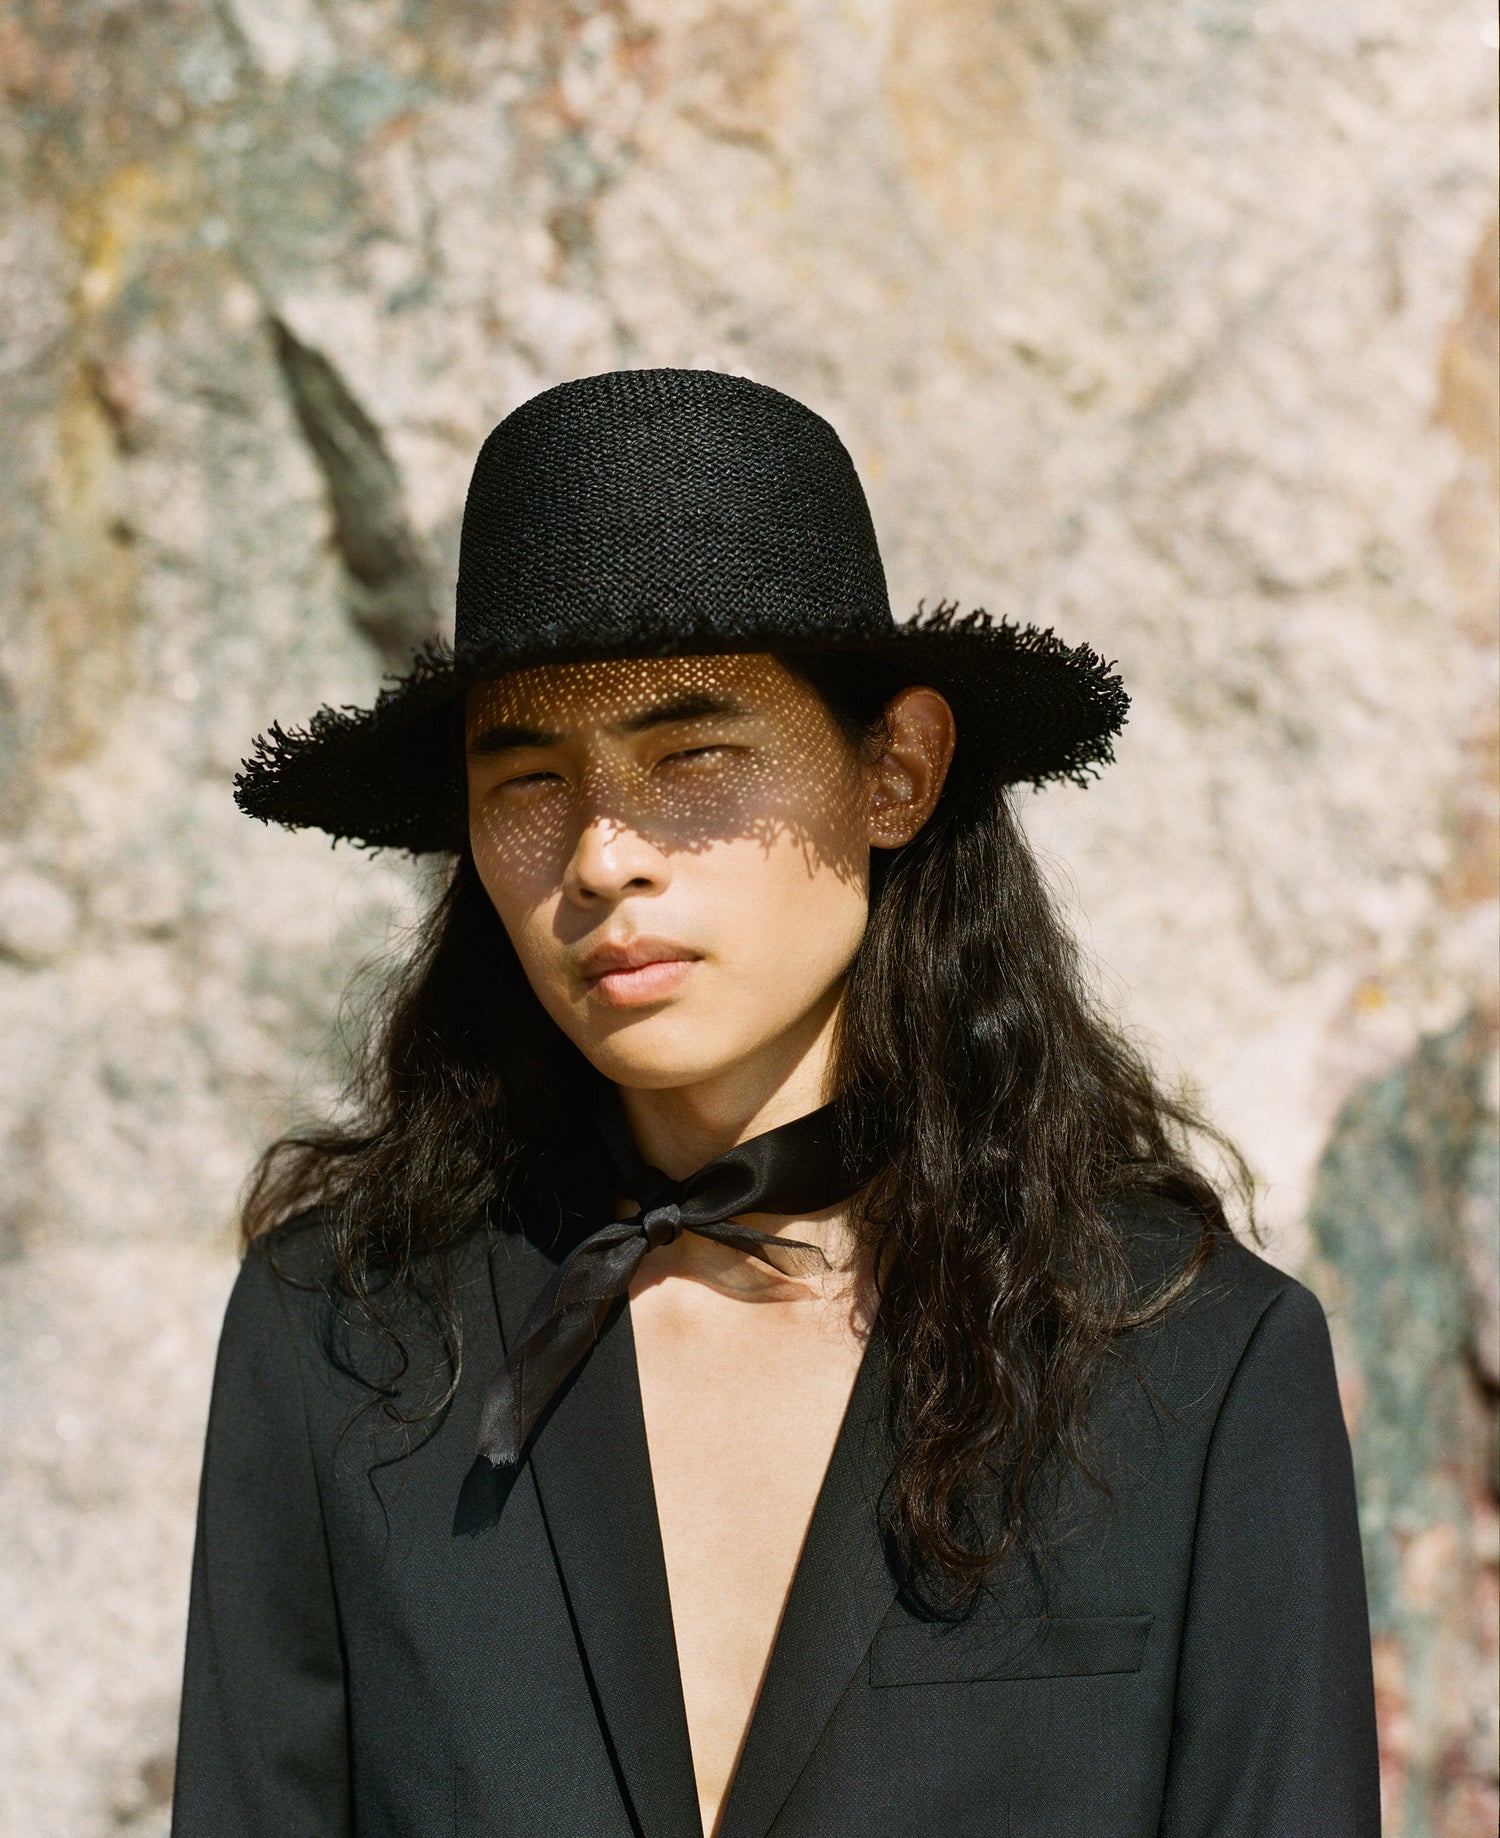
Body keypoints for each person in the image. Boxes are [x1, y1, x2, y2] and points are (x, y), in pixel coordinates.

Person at [171, 368, 1381, 1838]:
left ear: (897, 773)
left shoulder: (1191, 1360)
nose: (603, 854)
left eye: (691, 757)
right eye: (531, 778)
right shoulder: (346, 1337)